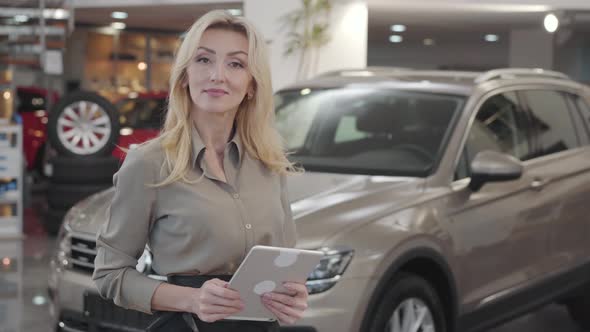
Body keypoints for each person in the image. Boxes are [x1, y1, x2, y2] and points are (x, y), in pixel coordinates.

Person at [92, 10, 306, 332]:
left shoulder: (269, 163)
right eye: (204, 60)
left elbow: (287, 266)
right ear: (184, 75)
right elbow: (110, 275)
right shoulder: (148, 164)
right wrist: (191, 299)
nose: (217, 75)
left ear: (251, 84)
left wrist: (294, 297)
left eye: (236, 64)